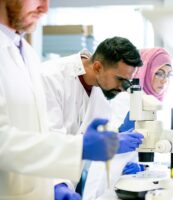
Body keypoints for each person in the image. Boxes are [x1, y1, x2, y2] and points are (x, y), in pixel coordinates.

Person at [0, 1, 119, 200]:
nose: (45, 8)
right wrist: (78, 148)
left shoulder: (26, 52)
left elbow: (38, 134)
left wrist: (55, 184)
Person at [41, 36, 145, 195]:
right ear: (97, 67)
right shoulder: (50, 77)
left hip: (68, 185)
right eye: (120, 80)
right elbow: (49, 141)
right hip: (42, 182)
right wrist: (56, 185)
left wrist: (112, 145)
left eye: (127, 82)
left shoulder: (101, 91)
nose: (123, 88)